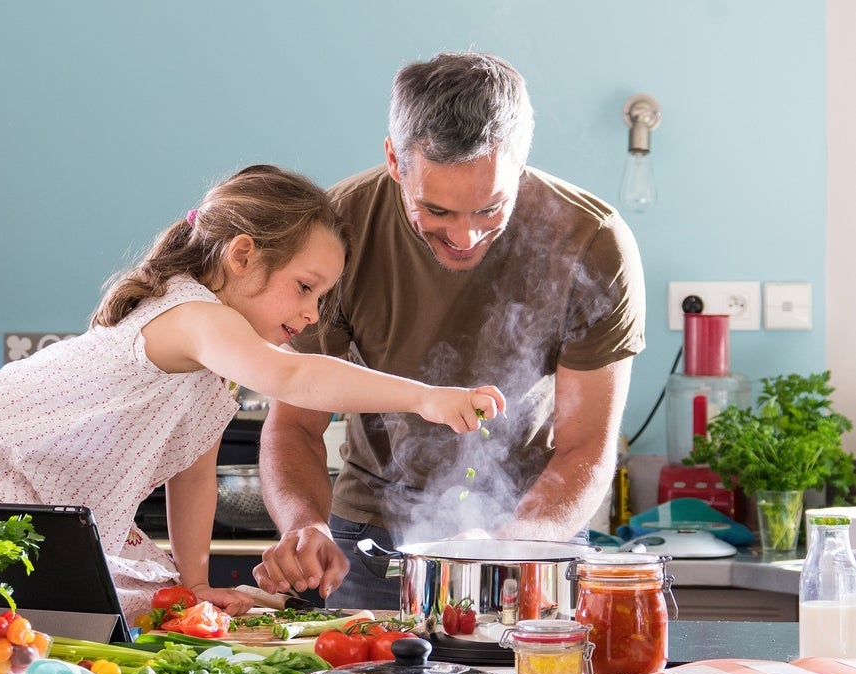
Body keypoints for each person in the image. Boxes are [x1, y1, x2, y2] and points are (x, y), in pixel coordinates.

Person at [0, 164, 505, 623]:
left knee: (144, 606)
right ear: (243, 255)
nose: (312, 314)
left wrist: (195, 581)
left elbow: (191, 477)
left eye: (322, 297)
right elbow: (295, 377)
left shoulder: (211, 364)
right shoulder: (195, 316)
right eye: (305, 287)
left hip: (26, 491)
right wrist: (426, 397)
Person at [253, 52, 646, 609]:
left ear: (521, 163)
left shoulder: (594, 242)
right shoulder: (337, 232)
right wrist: (303, 525)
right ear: (394, 160)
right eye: (436, 211)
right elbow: (294, 422)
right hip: (371, 537)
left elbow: (586, 447)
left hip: (534, 529)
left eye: (491, 209)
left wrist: (509, 549)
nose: (464, 237)